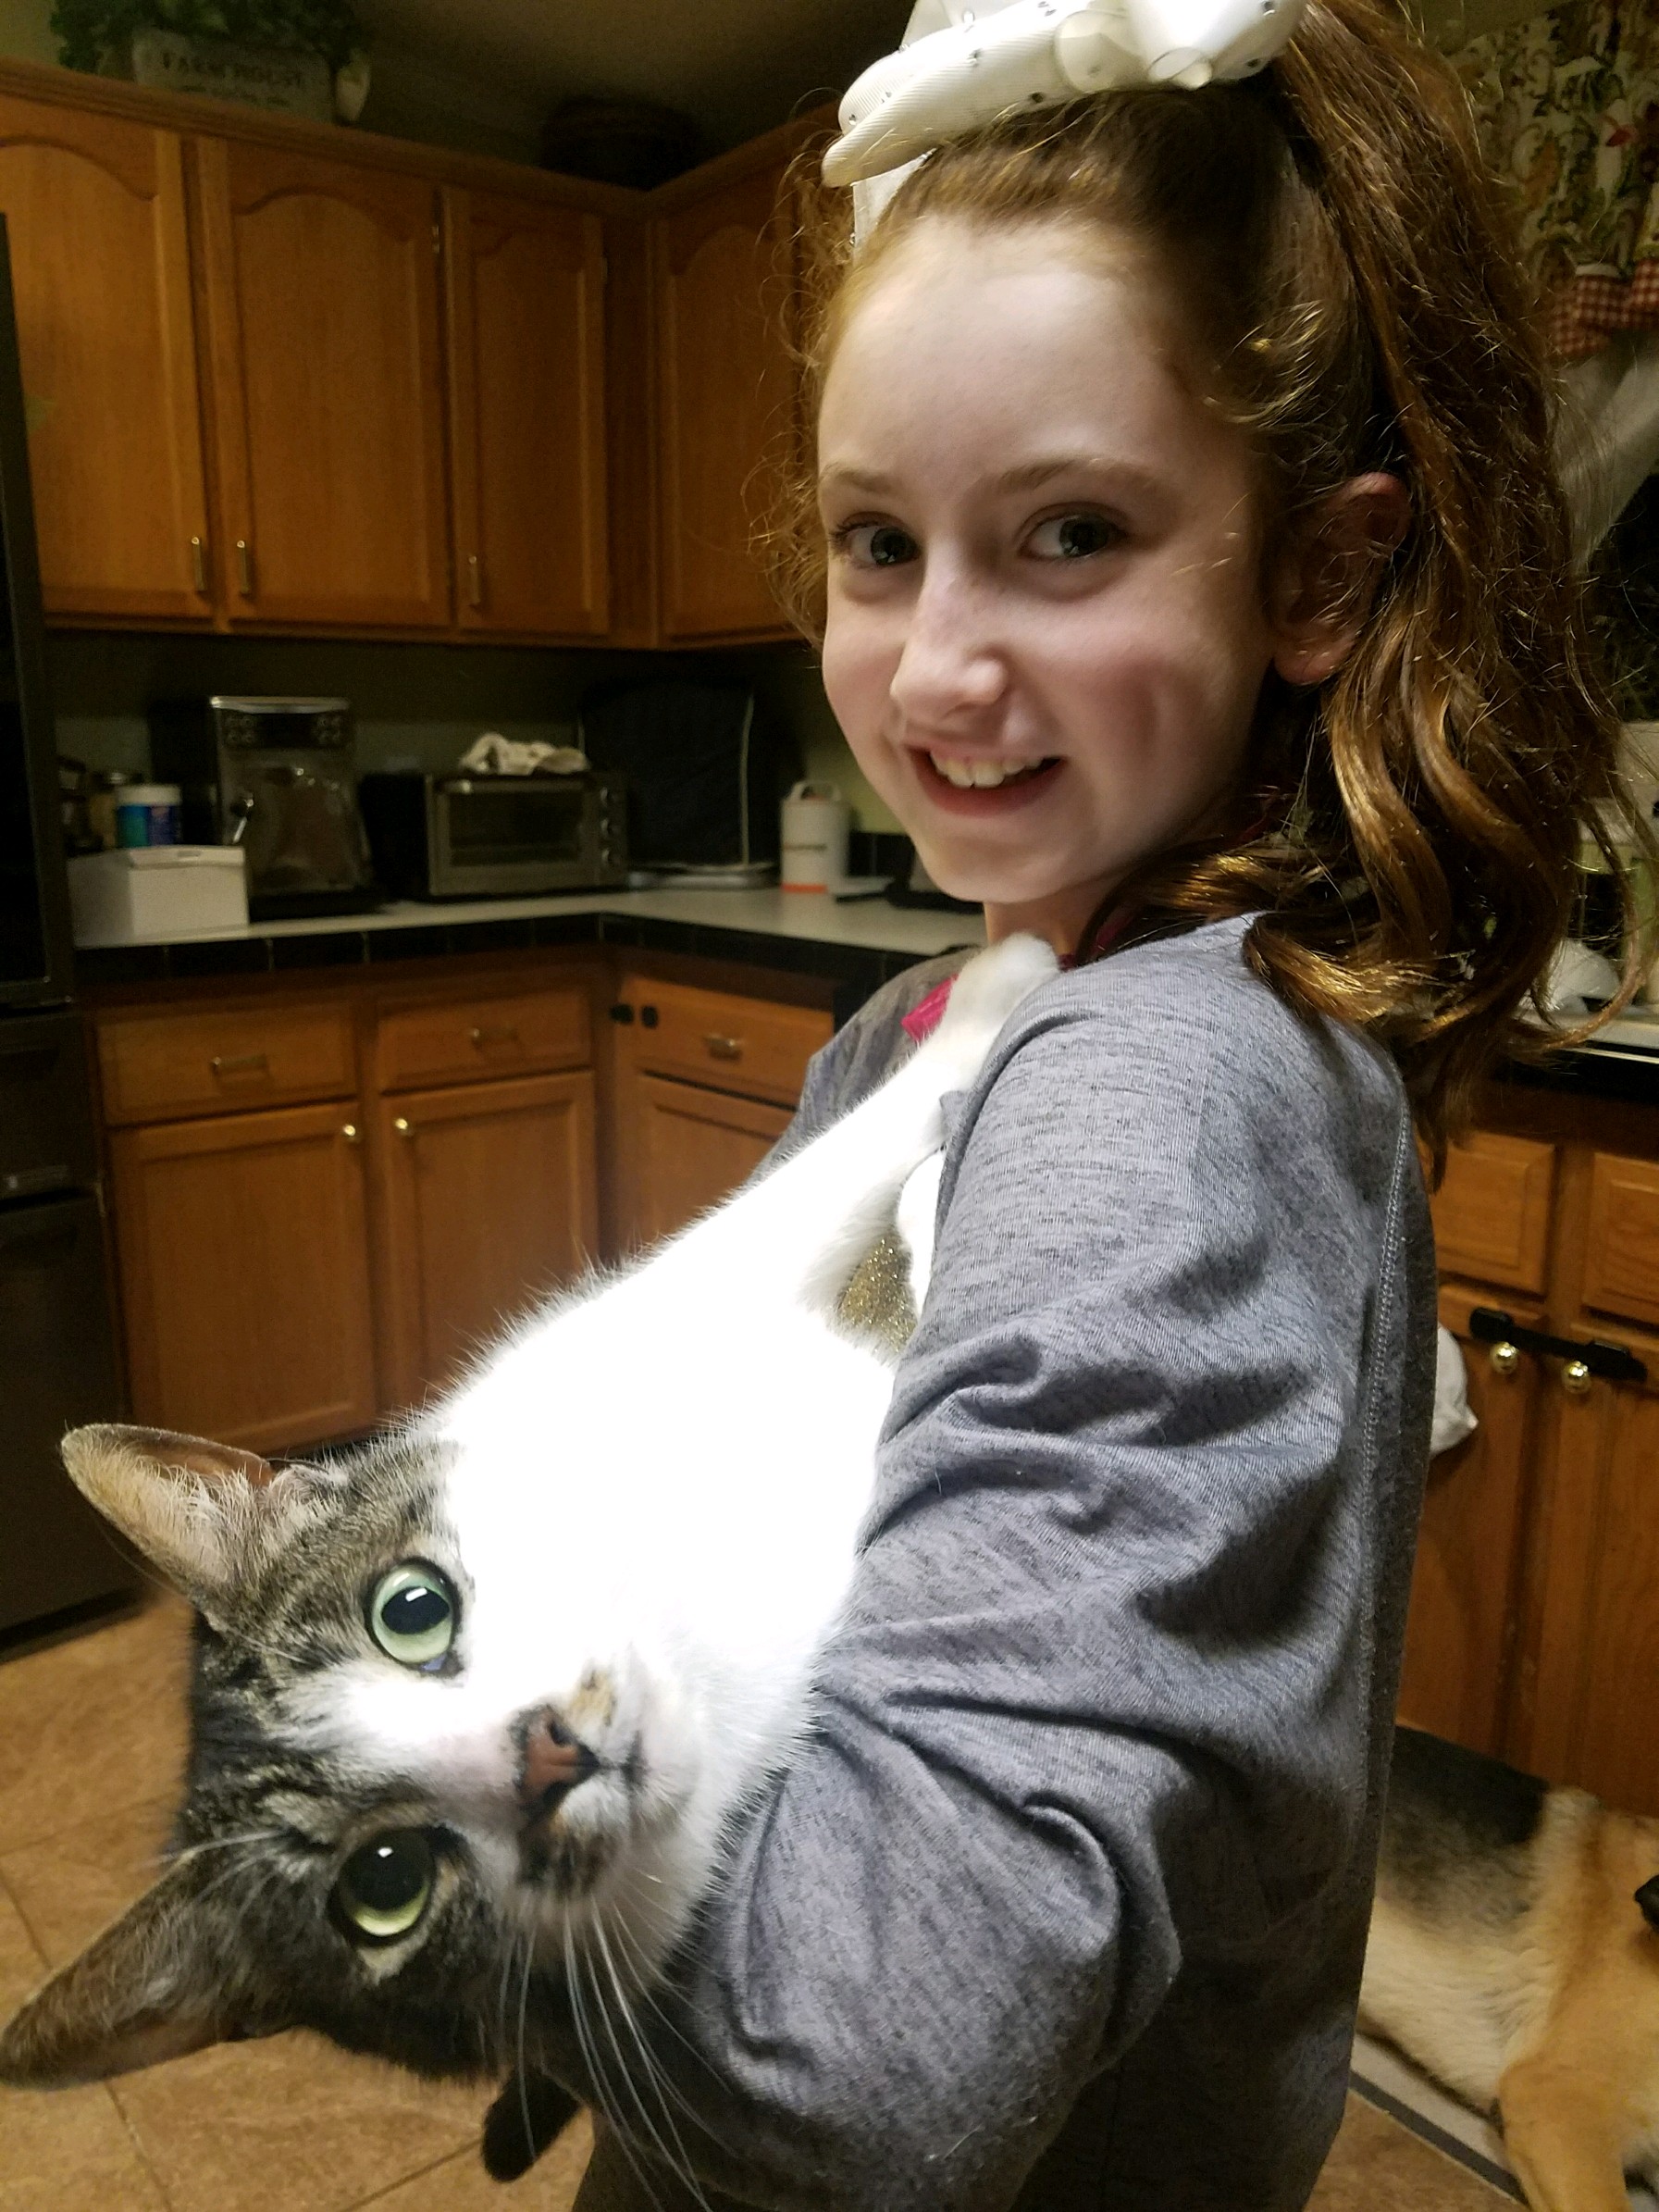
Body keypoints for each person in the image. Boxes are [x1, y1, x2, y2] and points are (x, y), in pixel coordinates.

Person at [561, 1, 1645, 2204]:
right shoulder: (938, 1030)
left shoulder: (1156, 1089)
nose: (937, 665)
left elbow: (864, 2064)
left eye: (1069, 532)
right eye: (879, 542)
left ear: (1317, 573)